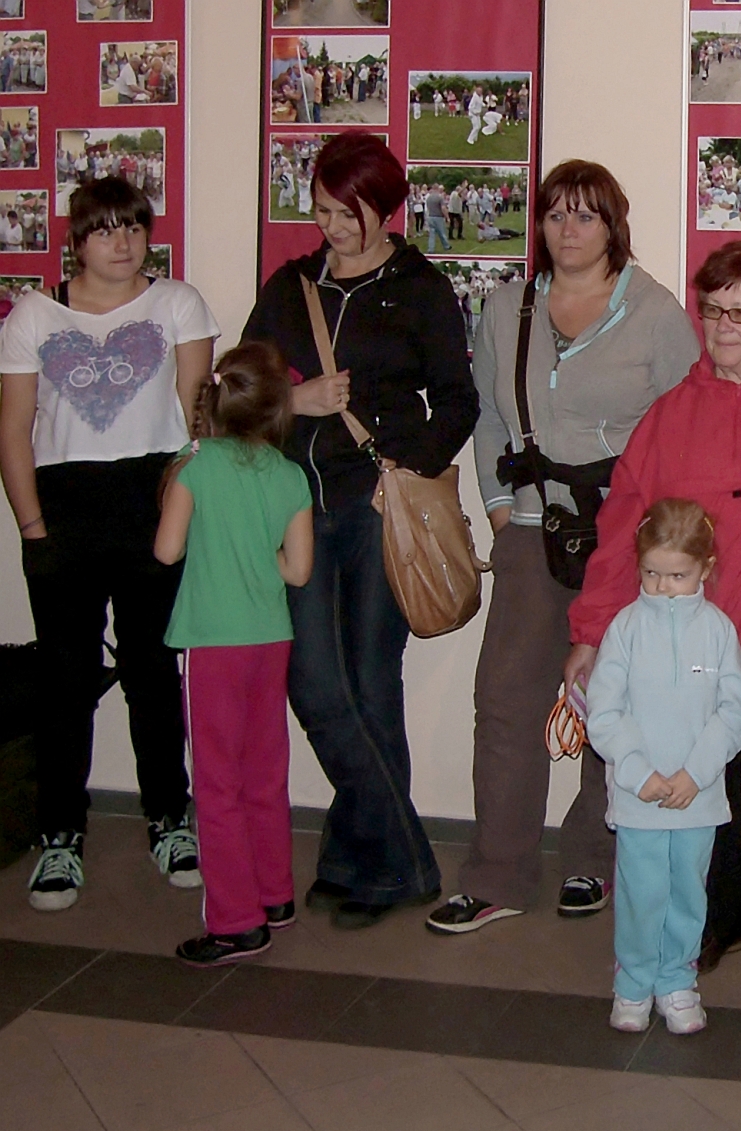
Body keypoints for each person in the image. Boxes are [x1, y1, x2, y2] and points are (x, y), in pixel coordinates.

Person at [432, 160, 700, 936]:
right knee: (505, 703)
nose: (569, 230)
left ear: (614, 225)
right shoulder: (507, 307)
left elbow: (685, 424)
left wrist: (665, 539)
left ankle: (593, 856)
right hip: (531, 530)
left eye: (586, 215)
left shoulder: (653, 312)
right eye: (555, 215)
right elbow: (488, 415)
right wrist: (498, 509)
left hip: (627, 538)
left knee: (617, 705)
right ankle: (498, 874)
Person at [241, 132, 478, 928]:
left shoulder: (419, 288)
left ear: (386, 209)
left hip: (376, 510)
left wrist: (404, 470)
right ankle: (403, 857)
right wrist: (294, 402)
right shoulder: (289, 286)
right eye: (321, 211)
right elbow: (239, 390)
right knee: (313, 684)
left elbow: (458, 401)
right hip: (295, 508)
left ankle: (360, 860)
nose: (334, 227)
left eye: (350, 213)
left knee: (371, 683)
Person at [567, 240, 741, 975]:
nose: (723, 327)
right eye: (713, 310)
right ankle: (719, 919)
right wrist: (590, 634)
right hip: (694, 652)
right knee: (706, 794)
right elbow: (624, 532)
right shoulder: (671, 413)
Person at [0, 177, 217, 911]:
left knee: (153, 670)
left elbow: (198, 421)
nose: (121, 243)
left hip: (153, 498)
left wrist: (187, 510)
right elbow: (14, 430)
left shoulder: (178, 303)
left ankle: (169, 819)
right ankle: (60, 834)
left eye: (133, 227)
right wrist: (33, 528)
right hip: (63, 506)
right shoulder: (33, 313)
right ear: (77, 241)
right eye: (103, 230)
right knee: (66, 679)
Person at [153, 344, 314, 967]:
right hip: (270, 638)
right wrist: (256, 553)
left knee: (217, 784)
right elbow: (297, 571)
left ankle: (235, 923)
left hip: (213, 642)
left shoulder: (195, 465)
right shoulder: (290, 475)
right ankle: (275, 895)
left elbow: (167, 551)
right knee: (264, 772)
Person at [586, 499, 741, 1037]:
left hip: (697, 799)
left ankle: (678, 979)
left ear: (705, 568)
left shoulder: (719, 631)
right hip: (640, 799)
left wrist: (696, 774)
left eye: (677, 575)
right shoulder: (625, 629)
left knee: (687, 891)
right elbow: (604, 712)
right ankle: (634, 982)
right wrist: (638, 773)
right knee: (641, 893)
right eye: (651, 574)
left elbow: (735, 712)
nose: (662, 587)